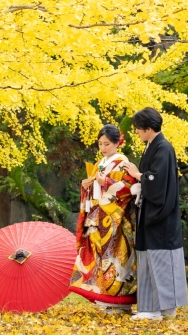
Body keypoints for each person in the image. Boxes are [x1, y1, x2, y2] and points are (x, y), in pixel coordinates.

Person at [124, 107, 188, 321]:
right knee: (149, 259)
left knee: (161, 259)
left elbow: (157, 181)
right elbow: (149, 178)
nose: (137, 133)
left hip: (161, 214)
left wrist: (137, 174)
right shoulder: (153, 146)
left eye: (138, 129)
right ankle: (151, 308)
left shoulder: (163, 148)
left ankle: (165, 308)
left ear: (149, 128)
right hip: (150, 211)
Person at [69, 124, 138, 314]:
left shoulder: (122, 163)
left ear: (117, 143)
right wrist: (87, 186)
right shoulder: (102, 163)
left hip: (117, 220)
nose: (103, 148)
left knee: (117, 258)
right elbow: (97, 191)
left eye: (107, 144)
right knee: (102, 258)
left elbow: (129, 189)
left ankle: (120, 301)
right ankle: (105, 298)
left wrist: (105, 182)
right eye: (100, 144)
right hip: (99, 219)